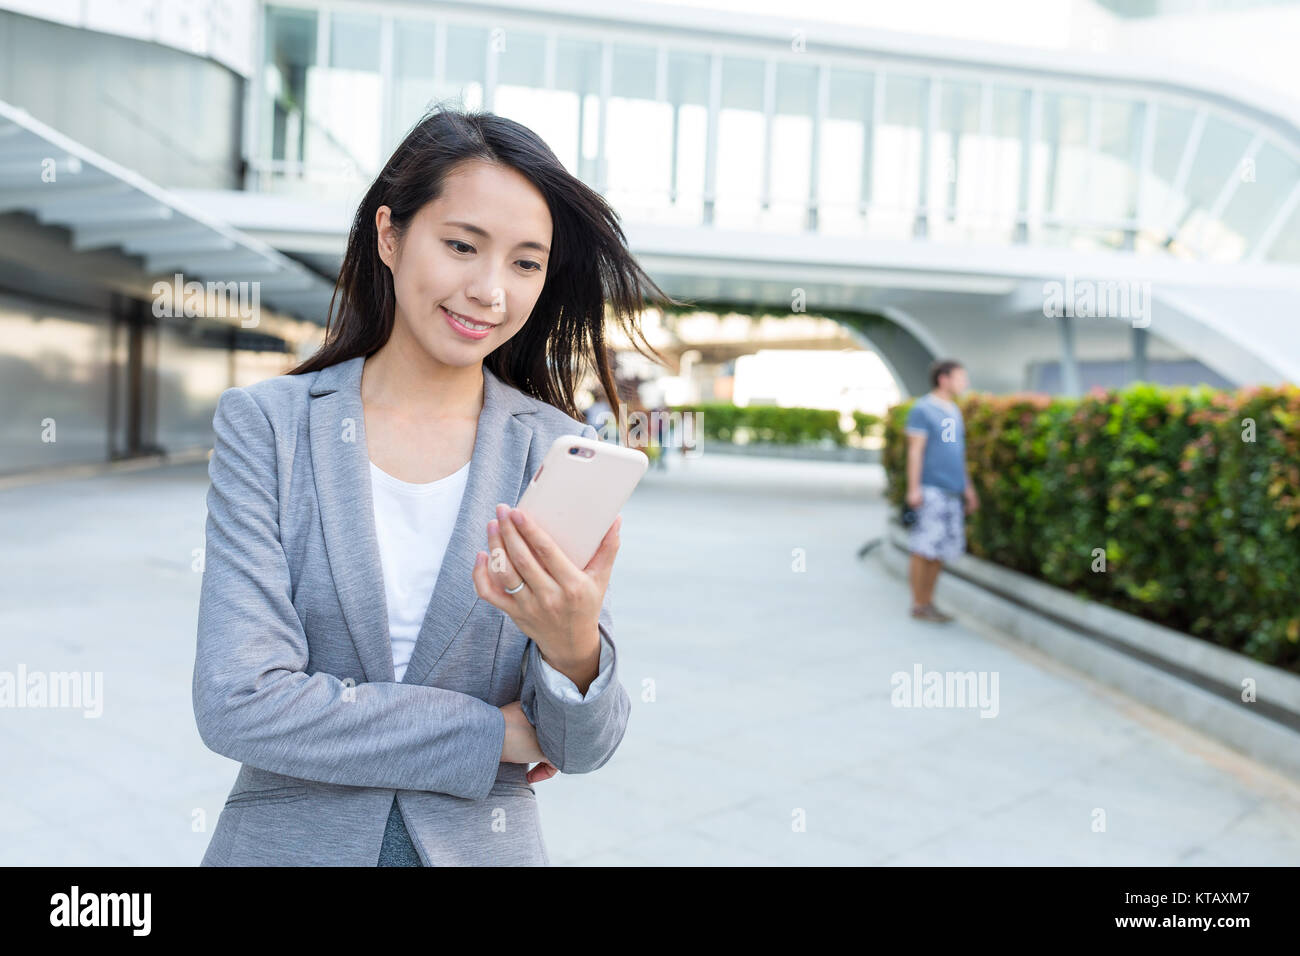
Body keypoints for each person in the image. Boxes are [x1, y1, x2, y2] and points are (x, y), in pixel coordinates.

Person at [193, 105, 675, 866]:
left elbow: (581, 747)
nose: (489, 291)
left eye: (525, 262)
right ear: (390, 235)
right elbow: (238, 703)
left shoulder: (555, 450)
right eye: (460, 245)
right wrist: (494, 734)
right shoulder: (270, 426)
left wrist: (573, 646)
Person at [903, 359, 978, 622]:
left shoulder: (954, 411)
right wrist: (914, 489)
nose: (965, 383)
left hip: (952, 491)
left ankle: (929, 602)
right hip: (930, 489)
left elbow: (957, 453)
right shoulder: (922, 409)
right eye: (960, 377)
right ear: (943, 379)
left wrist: (968, 488)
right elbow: (915, 451)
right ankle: (918, 604)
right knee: (924, 548)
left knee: (942, 550)